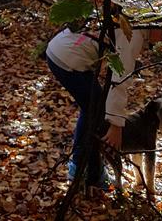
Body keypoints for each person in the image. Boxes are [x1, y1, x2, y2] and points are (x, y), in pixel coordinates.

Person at [46, 24, 145, 188]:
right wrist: (116, 125)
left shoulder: (130, 22)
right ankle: (85, 171)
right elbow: (120, 80)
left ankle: (86, 168)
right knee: (96, 111)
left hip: (60, 48)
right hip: (66, 57)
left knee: (93, 109)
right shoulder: (134, 33)